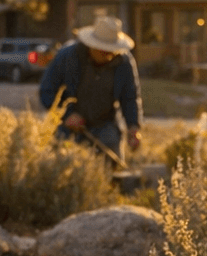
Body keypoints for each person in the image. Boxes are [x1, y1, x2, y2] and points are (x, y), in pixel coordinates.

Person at [38, 14, 143, 159]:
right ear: (91, 45)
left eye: (111, 51)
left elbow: (130, 97)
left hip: (105, 125)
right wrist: (66, 115)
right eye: (103, 50)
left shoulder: (124, 62)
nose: (108, 55)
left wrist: (133, 128)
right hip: (67, 126)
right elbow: (47, 91)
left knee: (113, 165)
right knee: (60, 160)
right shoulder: (67, 56)